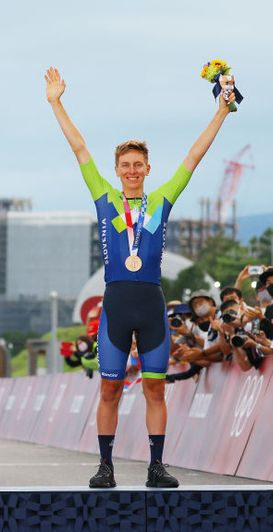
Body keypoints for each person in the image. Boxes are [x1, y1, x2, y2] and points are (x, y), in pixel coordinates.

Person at [45, 66, 235, 488]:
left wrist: (221, 112)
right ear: (117, 170)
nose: (132, 171)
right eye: (125, 165)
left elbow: (194, 156)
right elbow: (79, 149)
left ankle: (156, 467)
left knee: (155, 391)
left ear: (148, 169)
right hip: (116, 305)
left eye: (138, 165)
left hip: (150, 304)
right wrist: (57, 102)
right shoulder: (104, 198)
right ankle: (106, 467)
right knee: (109, 392)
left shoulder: (162, 200)